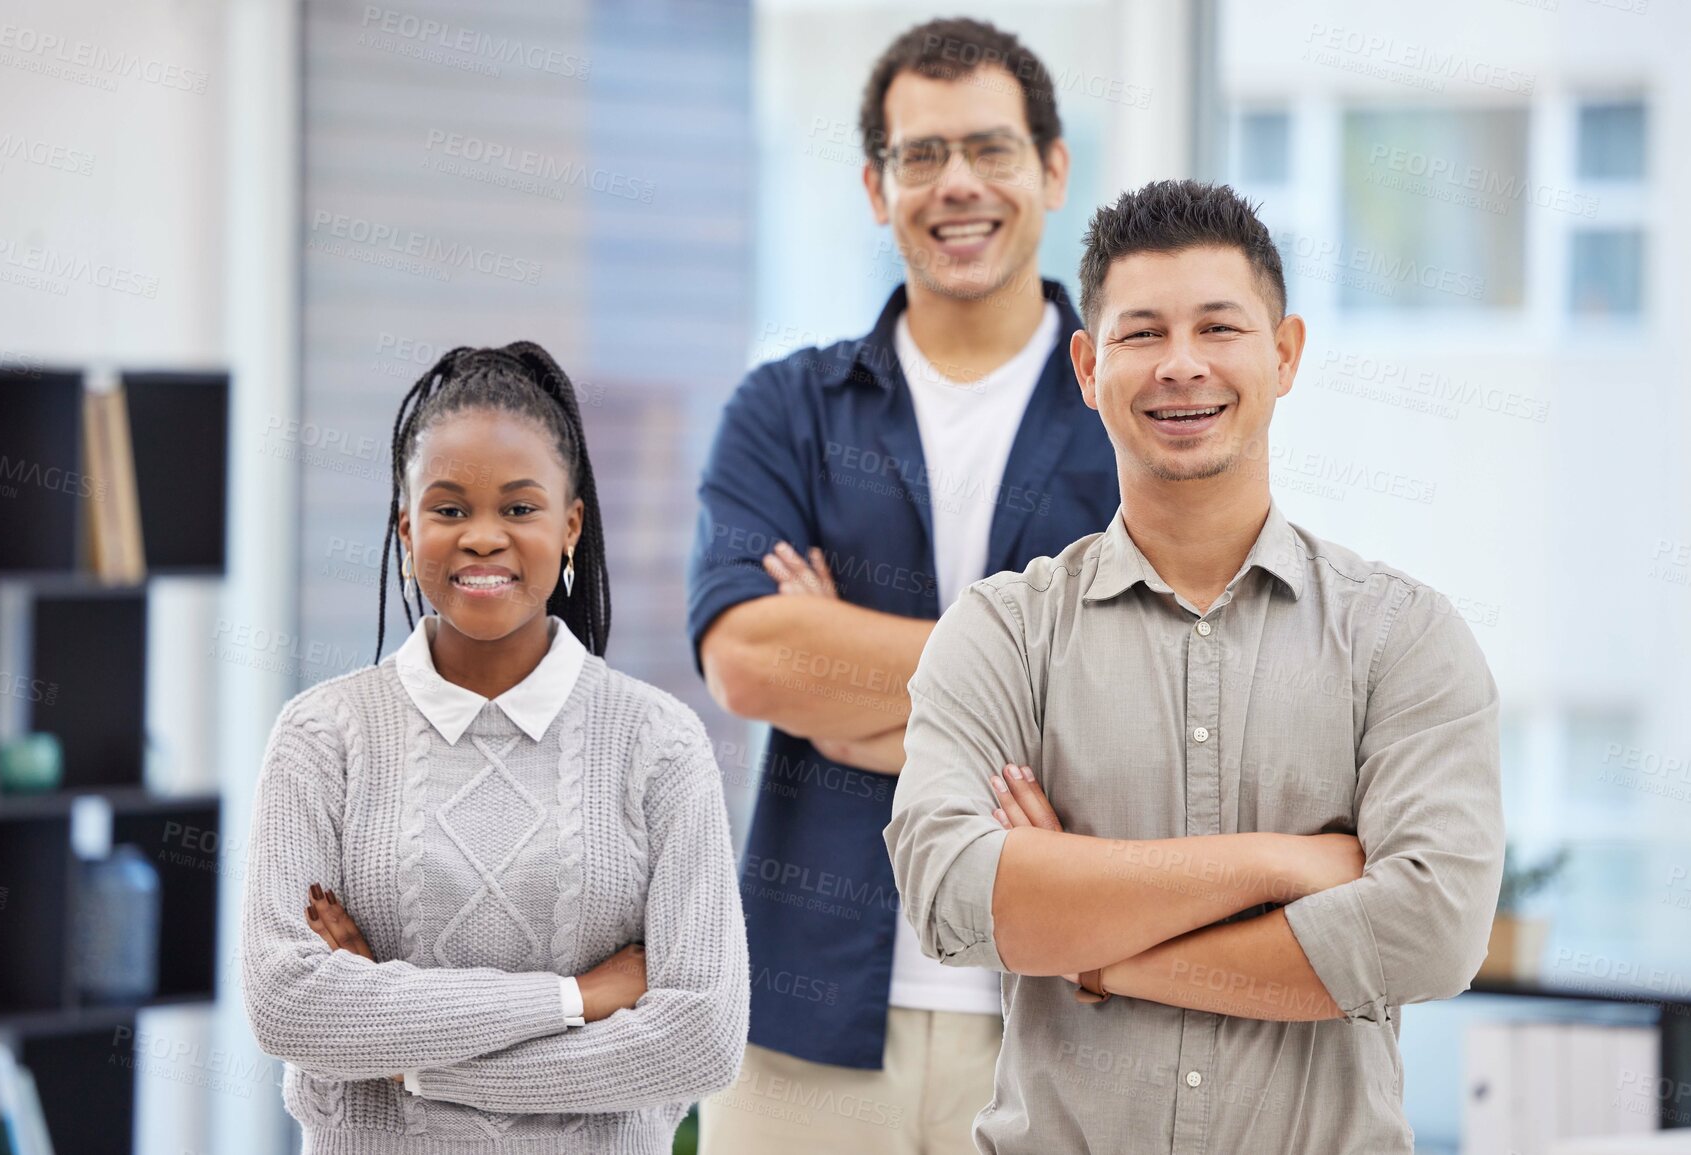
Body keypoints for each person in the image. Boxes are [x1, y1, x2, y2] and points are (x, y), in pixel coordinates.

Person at [885, 179, 1505, 1154]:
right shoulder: (1001, 634)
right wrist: (1280, 864)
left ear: (1285, 353)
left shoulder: (1402, 638)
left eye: (1219, 328)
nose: (1181, 366)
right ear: (1089, 366)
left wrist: (1097, 954)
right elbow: (953, 903)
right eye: (1141, 335)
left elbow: (1432, 929)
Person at [687, 18, 1121, 1153]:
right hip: (805, 1023)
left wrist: (852, 672)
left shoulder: (1132, 420)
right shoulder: (789, 410)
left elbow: (1155, 696)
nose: (957, 185)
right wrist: (1025, 691)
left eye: (990, 149)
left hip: (1064, 1012)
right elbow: (749, 659)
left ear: (1052, 169)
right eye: (920, 156)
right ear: (877, 188)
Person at [240, 342, 749, 1153]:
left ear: (570, 525)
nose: (482, 536)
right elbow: (286, 1003)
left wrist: (409, 1056)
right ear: (407, 529)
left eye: (518, 508)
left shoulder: (658, 743)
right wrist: (580, 997)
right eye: (448, 510)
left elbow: (701, 1035)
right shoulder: (321, 736)